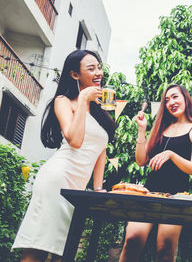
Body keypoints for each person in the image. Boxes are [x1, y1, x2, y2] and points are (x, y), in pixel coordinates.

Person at [12, 50, 116, 262]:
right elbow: (74, 140)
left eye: (99, 67)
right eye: (91, 68)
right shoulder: (63, 101)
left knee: (64, 251)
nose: (98, 73)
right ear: (75, 74)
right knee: (38, 246)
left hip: (77, 188)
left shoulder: (99, 110)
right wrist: (84, 100)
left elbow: (101, 150)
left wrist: (97, 188)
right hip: (57, 180)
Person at [119, 84, 192, 262]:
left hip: (176, 197)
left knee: (165, 250)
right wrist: (142, 130)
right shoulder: (160, 128)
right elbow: (141, 160)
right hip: (149, 193)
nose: (171, 102)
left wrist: (171, 155)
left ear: (185, 99)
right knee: (132, 240)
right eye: (166, 100)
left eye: (175, 97)